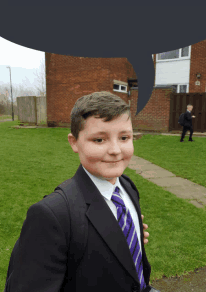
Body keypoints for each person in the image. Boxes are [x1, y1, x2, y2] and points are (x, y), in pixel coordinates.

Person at [5, 91, 160, 292]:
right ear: (74, 142)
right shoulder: (53, 215)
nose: (115, 150)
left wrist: (129, 239)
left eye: (124, 137)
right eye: (99, 140)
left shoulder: (127, 187)